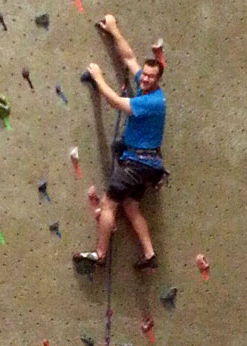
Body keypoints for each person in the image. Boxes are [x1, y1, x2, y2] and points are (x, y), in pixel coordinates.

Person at [74, 14, 167, 271]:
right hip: (146, 164)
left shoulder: (151, 102)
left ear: (159, 80)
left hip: (136, 163)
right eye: (145, 75)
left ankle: (100, 254)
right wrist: (114, 30)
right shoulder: (147, 88)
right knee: (131, 205)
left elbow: (115, 102)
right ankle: (149, 255)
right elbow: (129, 58)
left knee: (108, 203)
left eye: (150, 77)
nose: (145, 79)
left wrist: (97, 76)